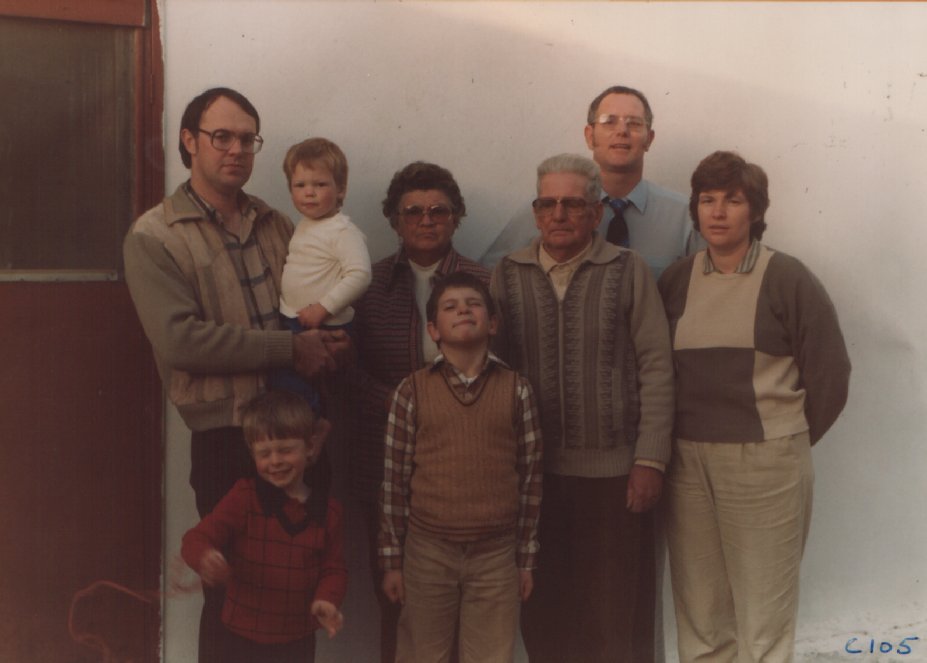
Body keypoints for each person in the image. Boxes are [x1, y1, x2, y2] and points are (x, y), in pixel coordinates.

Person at [123, 87, 349, 662]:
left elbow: (308, 313)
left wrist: (330, 343)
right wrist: (290, 350)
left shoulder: (276, 223)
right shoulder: (154, 235)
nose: (235, 150)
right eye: (220, 137)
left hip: (300, 435)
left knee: (299, 590)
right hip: (228, 439)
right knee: (234, 598)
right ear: (188, 141)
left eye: (247, 139)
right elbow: (180, 341)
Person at [657, 151, 851, 663]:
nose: (718, 212)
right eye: (707, 200)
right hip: (688, 465)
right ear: (696, 209)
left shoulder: (787, 277)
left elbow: (831, 375)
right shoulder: (676, 280)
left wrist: (783, 437)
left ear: (756, 210)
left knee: (764, 622)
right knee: (701, 617)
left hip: (766, 462)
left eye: (733, 200)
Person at [490, 153, 674, 663]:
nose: (559, 215)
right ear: (535, 212)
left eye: (573, 204)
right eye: (547, 204)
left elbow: (657, 367)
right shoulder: (507, 273)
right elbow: (492, 371)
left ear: (596, 212)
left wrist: (650, 460)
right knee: (544, 616)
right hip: (533, 479)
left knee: (613, 620)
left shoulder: (628, 269)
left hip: (613, 478)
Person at [349, 161, 489, 662]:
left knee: (467, 607)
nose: (426, 220)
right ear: (394, 219)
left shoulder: (483, 283)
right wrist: (398, 404)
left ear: (456, 217)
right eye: (413, 211)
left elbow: (503, 369)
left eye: (438, 211)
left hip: (464, 468)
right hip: (387, 466)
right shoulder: (367, 285)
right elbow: (348, 371)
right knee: (399, 600)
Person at [378, 271, 542, 663]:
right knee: (422, 654)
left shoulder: (517, 389)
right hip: (427, 552)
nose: (463, 311)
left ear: (493, 323)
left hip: (496, 555)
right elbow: (393, 481)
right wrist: (392, 560)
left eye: (474, 304)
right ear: (434, 330)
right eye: (450, 307)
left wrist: (525, 560)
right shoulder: (412, 390)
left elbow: (531, 481)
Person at [181, 390, 347, 663]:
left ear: (310, 446)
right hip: (239, 638)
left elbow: (334, 569)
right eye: (264, 453)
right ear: (253, 455)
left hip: (297, 641)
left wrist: (327, 600)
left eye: (285, 450)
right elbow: (196, 538)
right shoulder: (244, 497)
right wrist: (205, 557)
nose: (275, 461)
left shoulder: (328, 512)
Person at [481, 85, 702, 278]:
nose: (622, 131)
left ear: (649, 139)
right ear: (589, 136)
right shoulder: (549, 208)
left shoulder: (684, 217)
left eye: (634, 123)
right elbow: (490, 275)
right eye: (609, 122)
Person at [269, 137, 372, 410]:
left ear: (341, 190)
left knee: (309, 389)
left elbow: (360, 274)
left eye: (320, 184)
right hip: (294, 319)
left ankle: (314, 425)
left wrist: (323, 308)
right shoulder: (304, 225)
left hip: (325, 323)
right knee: (285, 385)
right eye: (300, 185)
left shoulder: (342, 231)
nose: (309, 193)